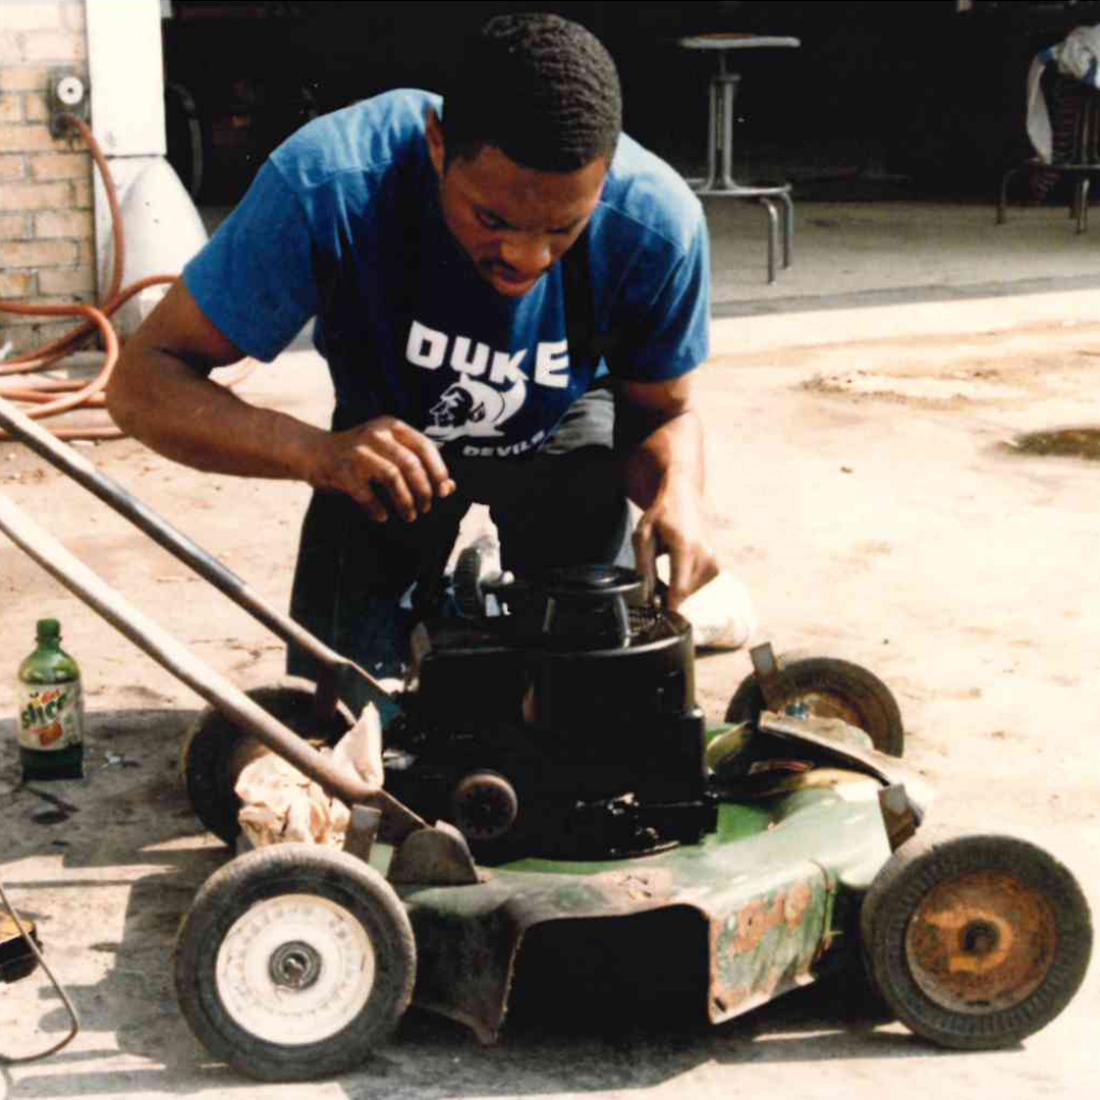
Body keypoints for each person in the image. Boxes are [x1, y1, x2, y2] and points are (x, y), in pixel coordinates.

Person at [107, 12, 718, 712]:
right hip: (385, 448)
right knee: (337, 724)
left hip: (567, 439)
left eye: (562, 228)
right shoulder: (331, 182)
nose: (524, 257)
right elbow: (141, 382)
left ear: (604, 181)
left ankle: (492, 600)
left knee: (595, 712)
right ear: (437, 146)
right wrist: (316, 452)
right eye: (491, 219)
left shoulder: (656, 222)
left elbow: (664, 415)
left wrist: (682, 496)